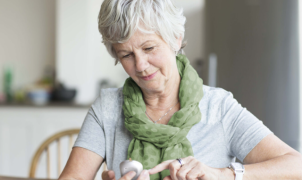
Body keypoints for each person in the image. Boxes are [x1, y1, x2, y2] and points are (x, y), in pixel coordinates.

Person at [59, 0, 302, 180]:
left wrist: (223, 175)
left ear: (176, 38)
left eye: (149, 48)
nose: (141, 66)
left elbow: (295, 166)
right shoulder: (108, 108)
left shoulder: (218, 107)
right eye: (126, 55)